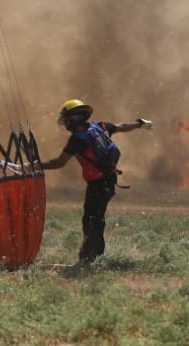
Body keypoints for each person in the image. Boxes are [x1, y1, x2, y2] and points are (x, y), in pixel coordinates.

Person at [38, 98, 151, 266]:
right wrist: (139, 123)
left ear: (73, 118)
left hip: (98, 185)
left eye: (67, 120)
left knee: (92, 221)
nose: (66, 123)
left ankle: (90, 260)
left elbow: (59, 163)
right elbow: (122, 126)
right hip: (109, 181)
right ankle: (92, 257)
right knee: (95, 219)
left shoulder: (78, 139)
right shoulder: (100, 127)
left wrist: (35, 166)